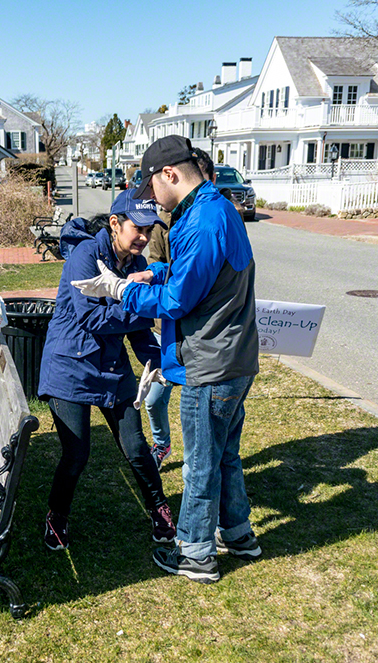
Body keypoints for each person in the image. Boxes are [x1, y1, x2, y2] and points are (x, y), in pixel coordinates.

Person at [73, 135, 261, 583]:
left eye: (151, 188)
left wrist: (122, 289)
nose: (152, 201)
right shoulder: (215, 209)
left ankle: (195, 553)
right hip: (234, 358)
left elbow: (177, 301)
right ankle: (237, 534)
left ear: (169, 175)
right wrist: (153, 271)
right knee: (224, 456)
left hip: (210, 362)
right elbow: (202, 272)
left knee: (200, 461)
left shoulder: (200, 220)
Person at [37, 189, 176, 552]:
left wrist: (159, 361)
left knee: (135, 446)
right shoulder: (85, 255)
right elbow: (92, 317)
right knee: (77, 452)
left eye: (150, 230)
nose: (144, 237)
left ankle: (159, 508)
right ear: (115, 224)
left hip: (112, 369)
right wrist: (144, 307)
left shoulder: (134, 265)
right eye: (138, 228)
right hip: (70, 367)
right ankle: (57, 515)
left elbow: (138, 332)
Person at [143, 147, 215, 470]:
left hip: (201, 348)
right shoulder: (164, 223)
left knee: (202, 458)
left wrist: (126, 293)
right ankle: (162, 443)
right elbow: (162, 272)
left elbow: (181, 295)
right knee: (154, 398)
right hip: (171, 336)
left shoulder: (211, 219)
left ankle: (195, 460)